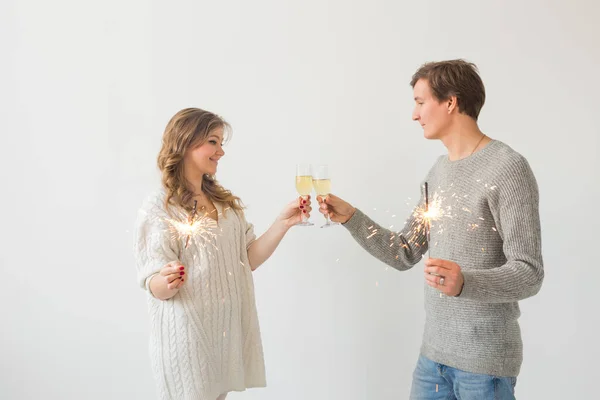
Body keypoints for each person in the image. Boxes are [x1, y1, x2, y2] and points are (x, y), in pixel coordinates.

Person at [318, 59, 544, 399]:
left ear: (450, 102)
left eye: (421, 102)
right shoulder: (437, 172)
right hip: (433, 361)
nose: (414, 114)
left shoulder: (507, 168)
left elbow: (529, 273)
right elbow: (403, 251)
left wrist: (466, 281)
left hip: (484, 367)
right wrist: (351, 217)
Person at [133, 108, 312, 400]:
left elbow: (248, 259)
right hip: (188, 340)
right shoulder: (160, 206)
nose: (221, 152)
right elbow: (152, 280)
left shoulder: (224, 204)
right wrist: (164, 283)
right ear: (186, 142)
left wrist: (284, 222)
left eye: (221, 143)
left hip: (223, 338)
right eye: (213, 142)